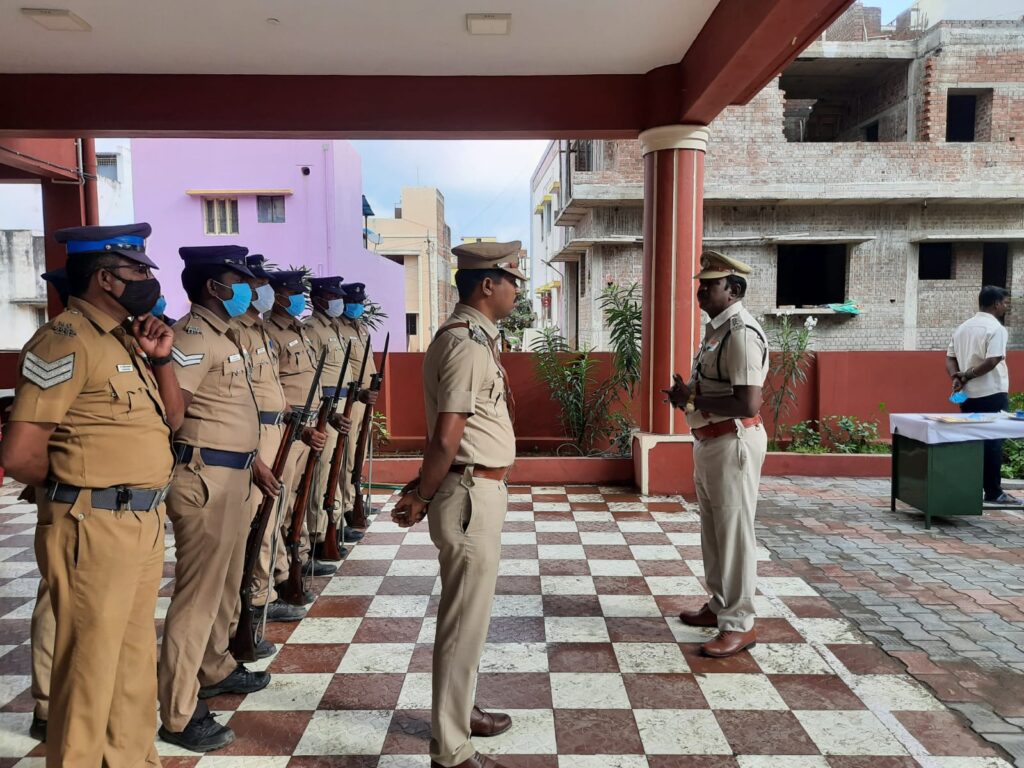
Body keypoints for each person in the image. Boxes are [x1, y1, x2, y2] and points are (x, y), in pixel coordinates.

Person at [1, 223, 183, 767]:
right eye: (138, 271)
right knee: (88, 672)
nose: (149, 280)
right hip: (93, 525)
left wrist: (161, 359)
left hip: (140, 522)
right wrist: (69, 492)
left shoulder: (125, 339)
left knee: (131, 665)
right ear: (105, 278)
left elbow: (173, 420)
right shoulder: (65, 339)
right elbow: (20, 453)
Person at [392, 240, 524, 768]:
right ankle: (450, 748)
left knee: (470, 617)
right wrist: (422, 495)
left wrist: (424, 488)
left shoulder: (475, 339)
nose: (517, 291)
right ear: (488, 284)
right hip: (469, 493)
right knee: (462, 622)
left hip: (474, 487)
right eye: (512, 281)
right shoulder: (466, 344)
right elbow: (447, 436)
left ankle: (462, 710)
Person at [157, 245, 268, 753]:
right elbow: (172, 409)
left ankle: (215, 666)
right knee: (197, 598)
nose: (246, 290)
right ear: (213, 288)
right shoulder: (193, 336)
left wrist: (256, 461)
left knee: (224, 583)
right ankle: (179, 713)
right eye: (237, 281)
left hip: (235, 474)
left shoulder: (225, 334)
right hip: (205, 480)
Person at [664, 250, 769, 659]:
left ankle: (739, 624)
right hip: (711, 441)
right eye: (701, 285)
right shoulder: (717, 331)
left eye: (711, 285)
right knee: (714, 531)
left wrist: (692, 398)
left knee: (735, 537)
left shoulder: (740, 333)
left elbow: (747, 403)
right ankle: (719, 604)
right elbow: (715, 388)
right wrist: (688, 395)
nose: (702, 291)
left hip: (733, 442)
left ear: (734, 291)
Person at [230, 255, 307, 631]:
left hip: (281, 428)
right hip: (256, 433)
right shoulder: (237, 333)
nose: (263, 292)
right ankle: (259, 595)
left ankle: (274, 580)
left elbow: (273, 387)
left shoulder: (258, 330)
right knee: (263, 515)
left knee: (277, 512)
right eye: (258, 286)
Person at [264, 270, 334, 587]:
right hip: (288, 426)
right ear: (277, 296)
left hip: (310, 421)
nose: (297, 299)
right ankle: (280, 571)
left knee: (298, 495)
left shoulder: (299, 330)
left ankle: (299, 556)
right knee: (281, 500)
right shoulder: (270, 332)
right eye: (291, 293)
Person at [946, 285, 1021, 505]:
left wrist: (956, 377)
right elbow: (993, 360)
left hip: (968, 396)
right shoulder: (996, 328)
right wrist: (967, 375)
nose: (1006, 307)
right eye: (1005, 303)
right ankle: (994, 492)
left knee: (971, 441)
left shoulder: (962, 328)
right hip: (992, 393)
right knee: (993, 442)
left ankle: (968, 488)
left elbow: (949, 357)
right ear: (996, 304)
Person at [306, 275, 363, 555]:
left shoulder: (334, 328)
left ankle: (335, 522)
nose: (339, 301)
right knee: (322, 472)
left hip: (345, 401)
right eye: (333, 297)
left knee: (338, 465)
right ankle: (318, 533)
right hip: (327, 406)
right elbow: (313, 375)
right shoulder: (312, 329)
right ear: (318, 300)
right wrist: (324, 411)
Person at [335, 281, 378, 526]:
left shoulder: (362, 329)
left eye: (360, 302)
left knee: (359, 453)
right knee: (347, 456)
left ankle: (354, 498)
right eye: (353, 302)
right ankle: (346, 507)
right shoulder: (338, 329)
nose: (357, 306)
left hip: (366, 399)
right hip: (351, 399)